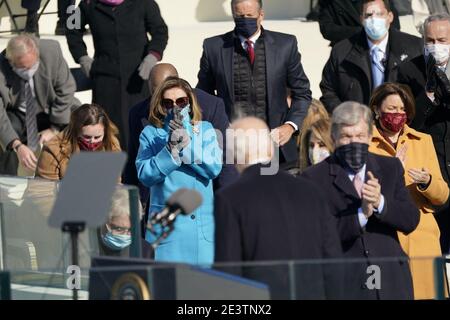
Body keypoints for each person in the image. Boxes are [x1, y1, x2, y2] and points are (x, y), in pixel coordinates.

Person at [214, 117, 342, 299]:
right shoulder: (311, 191)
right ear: (269, 148)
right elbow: (333, 263)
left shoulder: (229, 198)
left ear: (234, 154)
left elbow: (228, 275)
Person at [302, 101, 420, 300]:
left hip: (391, 280)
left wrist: (380, 203)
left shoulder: (390, 167)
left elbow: (410, 219)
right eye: (347, 137)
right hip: (348, 283)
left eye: (360, 136)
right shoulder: (314, 178)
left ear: (369, 137)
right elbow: (316, 235)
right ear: (334, 138)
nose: (354, 142)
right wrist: (361, 215)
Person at [197, 0, 312, 169]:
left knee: (275, 194)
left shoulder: (285, 45)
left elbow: (302, 93)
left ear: (261, 15)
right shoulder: (213, 47)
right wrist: (220, 125)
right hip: (233, 148)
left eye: (250, 15)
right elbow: (203, 96)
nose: (245, 20)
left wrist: (290, 126)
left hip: (277, 148)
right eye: (240, 16)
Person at [368, 82, 449, 299]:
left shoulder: (422, 141)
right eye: (391, 109)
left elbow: (442, 195)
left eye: (402, 109)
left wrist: (427, 181)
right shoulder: (365, 143)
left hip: (422, 240)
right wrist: (393, 168)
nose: (397, 114)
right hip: (385, 238)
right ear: (376, 109)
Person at [124, 63, 238, 206]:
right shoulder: (138, 112)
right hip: (159, 200)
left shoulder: (210, 106)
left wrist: (229, 201)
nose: (171, 106)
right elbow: (134, 163)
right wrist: (130, 204)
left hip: (201, 199)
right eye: (158, 96)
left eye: (180, 101)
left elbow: (224, 158)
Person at [136, 77, 222, 265]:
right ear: (161, 106)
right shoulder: (150, 134)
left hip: (200, 230)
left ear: (190, 104)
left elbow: (214, 168)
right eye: (168, 103)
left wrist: (186, 144)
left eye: (181, 101)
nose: (175, 107)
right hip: (167, 231)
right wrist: (170, 150)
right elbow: (144, 174)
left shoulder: (205, 130)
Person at [66, 0, 169, 150]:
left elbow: (160, 31)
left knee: (139, 126)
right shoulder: (87, 5)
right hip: (105, 80)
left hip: (138, 78)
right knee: (108, 128)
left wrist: (152, 55)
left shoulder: (145, 3)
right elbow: (72, 29)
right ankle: (111, 170)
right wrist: (82, 57)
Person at [397, 13, 450, 253]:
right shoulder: (408, 71)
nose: (435, 46)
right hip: (431, 173)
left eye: (442, 40)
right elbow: (406, 123)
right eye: (430, 41)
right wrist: (428, 94)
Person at [320, 0, 422, 113]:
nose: (374, 19)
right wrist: (347, 117)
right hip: (358, 125)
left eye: (379, 14)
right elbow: (328, 90)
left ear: (390, 17)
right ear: (361, 19)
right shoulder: (341, 52)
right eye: (368, 15)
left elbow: (425, 91)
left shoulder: (414, 48)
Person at [0, 34, 80, 177]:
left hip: (50, 107)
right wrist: (17, 146)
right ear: (10, 62)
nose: (29, 71)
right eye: (24, 68)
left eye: (33, 65)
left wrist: (55, 128)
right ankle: (7, 184)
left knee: (81, 117)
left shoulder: (51, 51)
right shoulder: (1, 69)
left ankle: (76, 175)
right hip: (17, 113)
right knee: (6, 134)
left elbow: (66, 89)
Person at [36, 104, 121, 180]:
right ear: (75, 132)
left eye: (97, 137)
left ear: (105, 134)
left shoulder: (112, 145)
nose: (92, 141)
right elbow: (43, 192)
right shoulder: (53, 150)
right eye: (87, 137)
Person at [318, 0, 401, 46]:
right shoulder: (328, 2)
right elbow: (327, 29)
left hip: (381, 48)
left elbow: (394, 24)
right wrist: (363, 33)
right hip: (346, 51)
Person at [98, 189, 135, 257]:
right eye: (119, 229)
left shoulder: (145, 251)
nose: (125, 236)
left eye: (130, 230)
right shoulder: (87, 246)